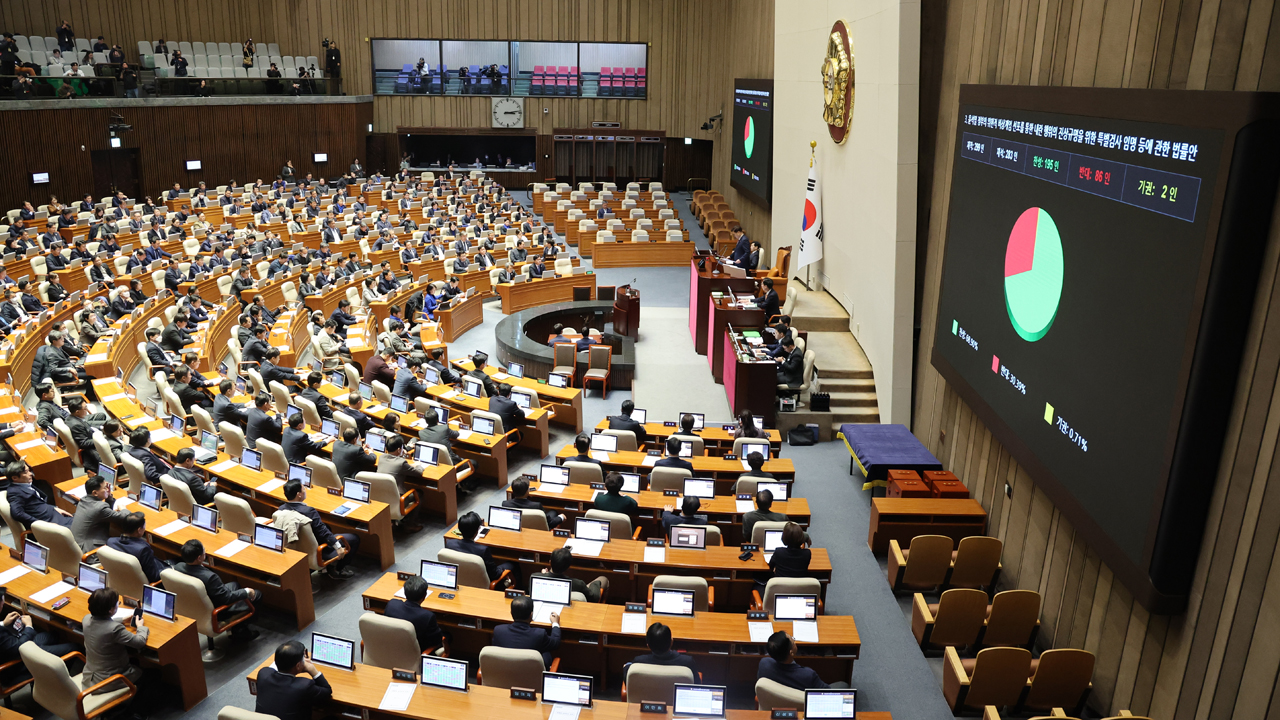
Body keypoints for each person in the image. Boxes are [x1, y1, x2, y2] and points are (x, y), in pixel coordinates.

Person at [174, 539, 260, 640]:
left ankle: (235, 627)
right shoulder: (210, 577)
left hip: (193, 605)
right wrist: (247, 591)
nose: (205, 551)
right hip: (214, 609)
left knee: (234, 584)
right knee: (257, 594)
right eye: (204, 550)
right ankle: (239, 630)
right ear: (199, 558)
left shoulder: (178, 567)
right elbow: (226, 598)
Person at [277, 479, 359, 578]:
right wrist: (338, 547)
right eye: (304, 488)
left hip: (298, 547)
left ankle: (328, 568)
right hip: (318, 550)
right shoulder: (309, 511)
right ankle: (338, 570)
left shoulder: (281, 509)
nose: (305, 490)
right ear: (299, 494)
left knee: (327, 526)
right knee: (354, 538)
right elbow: (322, 532)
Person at [83, 588, 150, 700]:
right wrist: (141, 627)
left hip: (91, 675)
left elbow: (102, 625)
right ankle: (137, 712)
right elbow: (139, 642)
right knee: (152, 676)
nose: (118, 605)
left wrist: (122, 619)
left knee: (135, 661)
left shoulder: (86, 619)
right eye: (117, 604)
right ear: (110, 610)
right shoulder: (114, 629)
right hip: (110, 679)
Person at [254, 641, 333, 720]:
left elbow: (273, 671)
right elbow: (327, 691)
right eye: (303, 658)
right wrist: (312, 670)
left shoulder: (263, 674)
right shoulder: (304, 686)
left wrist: (295, 669)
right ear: (298, 665)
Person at [445, 511, 518, 586]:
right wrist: (501, 569)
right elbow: (495, 574)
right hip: (483, 585)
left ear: (459, 529)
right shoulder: (483, 550)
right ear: (477, 531)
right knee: (513, 564)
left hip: (459, 582)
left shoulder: (449, 544)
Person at [758, 630, 846, 690]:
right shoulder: (808, 675)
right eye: (793, 641)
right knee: (843, 685)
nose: (794, 641)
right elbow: (827, 692)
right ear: (791, 652)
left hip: (774, 705)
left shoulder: (764, 664)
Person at [374, 435, 424, 532]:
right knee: (419, 493)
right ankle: (410, 524)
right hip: (398, 500)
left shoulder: (381, 458)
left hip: (380, 498)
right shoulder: (401, 463)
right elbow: (418, 473)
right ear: (398, 449)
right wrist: (419, 465)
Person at [492, 595, 559, 667]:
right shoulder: (539, 634)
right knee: (546, 652)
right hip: (532, 675)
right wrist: (555, 623)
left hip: (505, 672)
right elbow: (555, 643)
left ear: (511, 613)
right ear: (531, 615)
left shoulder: (498, 631)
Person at [70, 475, 130, 553]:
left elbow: (104, 512)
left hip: (77, 545)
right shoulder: (99, 507)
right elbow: (125, 517)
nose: (108, 489)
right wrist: (124, 509)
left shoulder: (84, 500)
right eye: (105, 488)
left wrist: (108, 497)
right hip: (90, 550)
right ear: (95, 493)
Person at [7, 460, 73, 529]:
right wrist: (41, 524)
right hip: (51, 523)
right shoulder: (14, 492)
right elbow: (17, 514)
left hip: (55, 516)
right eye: (26, 472)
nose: (30, 474)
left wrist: (54, 508)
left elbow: (39, 502)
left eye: (29, 471)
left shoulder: (24, 484)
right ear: (15, 478)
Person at [385, 576, 444, 651]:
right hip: (416, 652)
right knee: (448, 636)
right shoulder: (427, 616)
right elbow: (436, 641)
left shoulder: (392, 604)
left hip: (390, 649)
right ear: (424, 596)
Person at [106, 513, 169, 583]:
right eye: (144, 526)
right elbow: (153, 577)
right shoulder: (143, 549)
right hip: (151, 578)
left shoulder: (111, 541)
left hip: (121, 577)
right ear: (139, 530)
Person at [534, 547, 609, 603]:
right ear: (568, 567)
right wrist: (595, 584)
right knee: (603, 579)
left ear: (550, 562)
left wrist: (544, 575)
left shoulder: (535, 577)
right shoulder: (578, 584)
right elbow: (594, 598)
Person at [631, 622, 697, 673]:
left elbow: (629, 679)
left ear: (648, 646)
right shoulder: (688, 662)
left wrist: (627, 666)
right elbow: (696, 683)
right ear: (671, 642)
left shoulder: (638, 662)